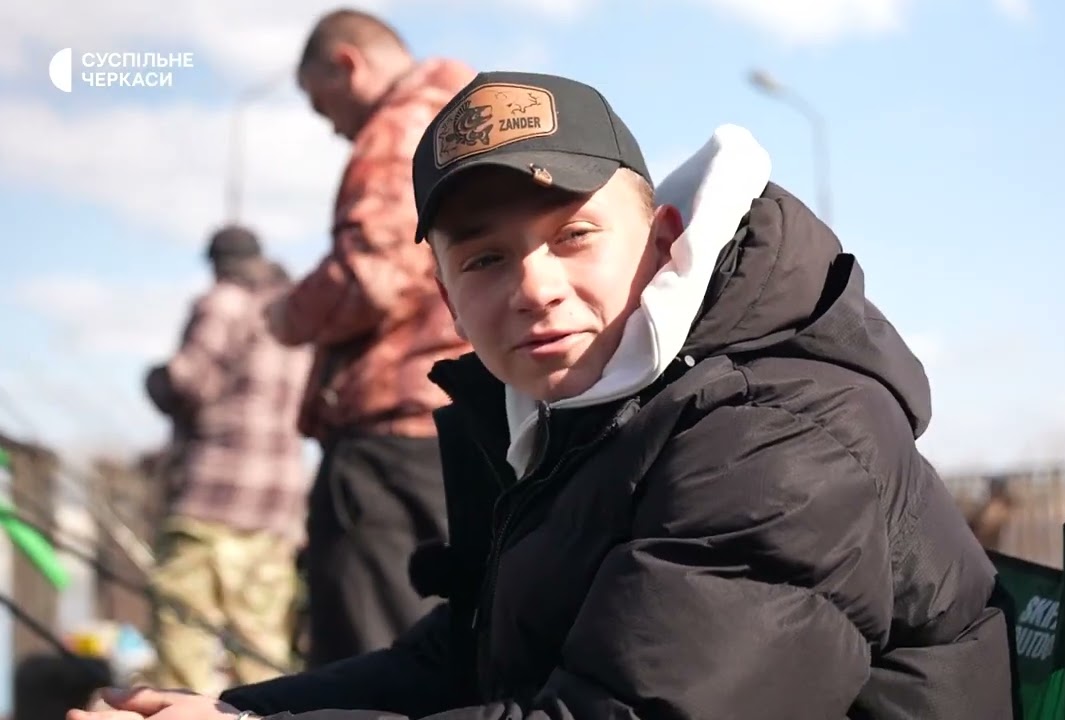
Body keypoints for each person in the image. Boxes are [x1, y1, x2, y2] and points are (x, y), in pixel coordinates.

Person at [86, 71, 1014, 720]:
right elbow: (466, 655)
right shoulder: (589, 416)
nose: (534, 288)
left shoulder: (779, 435)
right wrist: (234, 710)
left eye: (573, 236)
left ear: (662, 239)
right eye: (486, 259)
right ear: (446, 295)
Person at [266, 9, 477, 666]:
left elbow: (372, 277)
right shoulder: (469, 117)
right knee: (443, 649)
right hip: (460, 421)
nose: (329, 124)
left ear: (347, 64)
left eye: (320, 101)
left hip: (388, 439)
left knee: (371, 655)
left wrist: (287, 314)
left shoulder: (397, 129)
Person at [139, 225, 311, 694]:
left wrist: (153, 380)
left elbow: (186, 381)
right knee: (263, 652)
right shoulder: (291, 316)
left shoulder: (223, 302)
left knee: (184, 644)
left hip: (211, 501)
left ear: (217, 263)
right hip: (277, 509)